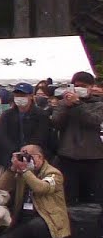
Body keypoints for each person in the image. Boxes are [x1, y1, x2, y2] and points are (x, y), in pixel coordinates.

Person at [0, 145, 70, 238]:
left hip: (47, 220)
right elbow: (3, 186)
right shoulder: (22, 172)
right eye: (22, 157)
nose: (25, 160)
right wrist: (12, 168)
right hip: (25, 220)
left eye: (28, 156)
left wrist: (25, 170)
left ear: (39, 157)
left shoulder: (53, 173)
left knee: (37, 224)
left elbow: (41, 188)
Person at [50, 71, 103, 206]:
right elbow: (55, 123)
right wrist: (66, 106)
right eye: (77, 86)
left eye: (83, 86)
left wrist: (78, 104)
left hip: (93, 157)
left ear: (91, 87)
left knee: (92, 199)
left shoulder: (98, 104)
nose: (80, 89)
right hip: (68, 156)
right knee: (69, 198)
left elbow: (94, 121)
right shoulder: (63, 104)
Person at [0, 82, 56, 163]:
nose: (19, 98)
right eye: (17, 95)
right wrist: (14, 151)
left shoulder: (41, 115)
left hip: (34, 156)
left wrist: (26, 151)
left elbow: (41, 135)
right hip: (11, 156)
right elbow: (3, 135)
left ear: (31, 96)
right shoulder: (7, 115)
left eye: (23, 95)